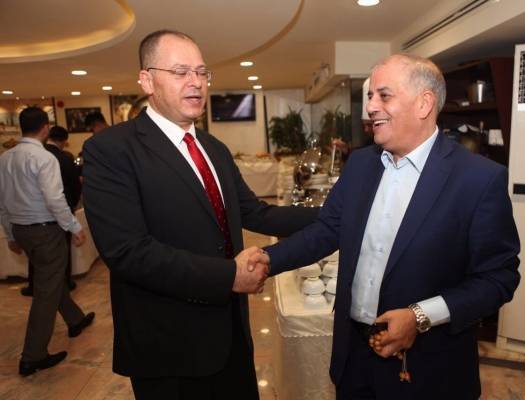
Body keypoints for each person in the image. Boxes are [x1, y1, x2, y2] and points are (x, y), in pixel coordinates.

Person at [258, 54, 521, 399]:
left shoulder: (478, 179)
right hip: (354, 357)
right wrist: (266, 259)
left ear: (424, 103)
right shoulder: (361, 164)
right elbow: (326, 230)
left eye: (384, 96)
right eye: (370, 97)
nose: (370, 107)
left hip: (428, 371)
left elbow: (499, 278)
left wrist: (421, 316)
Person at [82, 29, 319, 400]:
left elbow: (255, 212)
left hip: (231, 335)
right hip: (170, 347)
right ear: (147, 80)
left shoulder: (214, 147)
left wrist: (333, 213)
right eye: (180, 72)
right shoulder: (111, 149)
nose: (196, 82)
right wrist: (229, 276)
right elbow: (127, 251)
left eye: (202, 72)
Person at [0, 107, 95, 376]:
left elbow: (2, 201)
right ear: (45, 128)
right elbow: (54, 199)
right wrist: (74, 227)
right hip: (45, 231)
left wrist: (10, 234)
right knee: (45, 292)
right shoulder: (43, 157)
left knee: (49, 278)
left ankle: (75, 320)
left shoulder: (5, 158)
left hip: (22, 230)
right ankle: (33, 356)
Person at [21, 125, 81, 296]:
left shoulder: (26, 155)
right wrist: (72, 208)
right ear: (63, 140)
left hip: (30, 215)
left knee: (35, 256)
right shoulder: (63, 157)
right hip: (59, 212)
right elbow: (74, 186)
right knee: (62, 253)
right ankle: (65, 283)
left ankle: (34, 284)